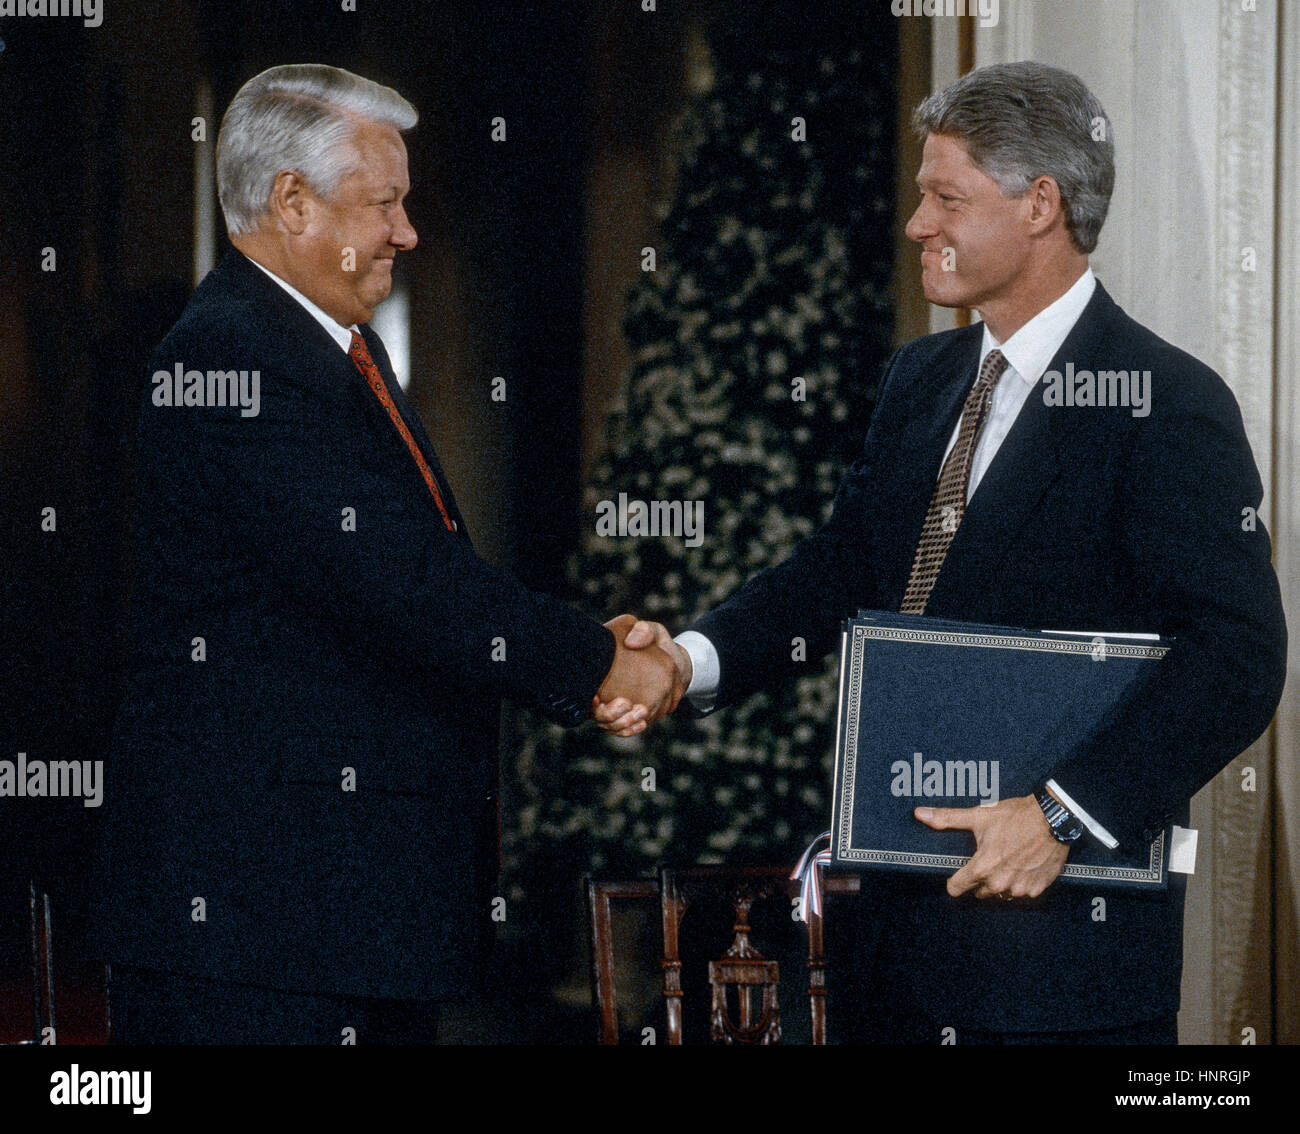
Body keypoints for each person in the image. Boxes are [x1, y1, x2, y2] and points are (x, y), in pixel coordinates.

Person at [596, 61, 1287, 1043]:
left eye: (945, 197)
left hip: (1054, 973)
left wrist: (1058, 816)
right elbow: (837, 569)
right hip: (891, 954)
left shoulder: (1163, 403)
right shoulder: (921, 380)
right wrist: (684, 661)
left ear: (1039, 204)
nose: (917, 223)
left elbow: (1238, 657)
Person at [94, 63, 682, 1044]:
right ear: (292, 202)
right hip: (259, 923)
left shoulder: (317, 348)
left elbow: (408, 577)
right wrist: (595, 662)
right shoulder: (232, 357)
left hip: (330, 917)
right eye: (385, 203)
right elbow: (404, 586)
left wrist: (583, 647)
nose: (406, 232)